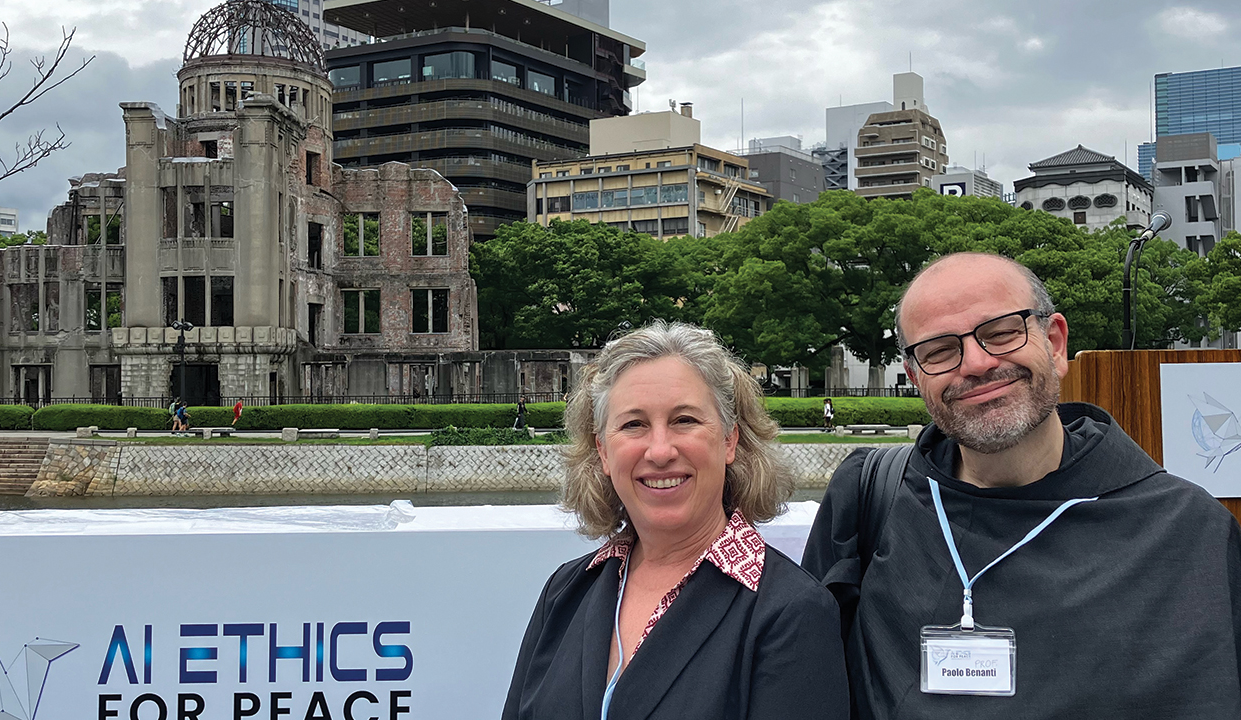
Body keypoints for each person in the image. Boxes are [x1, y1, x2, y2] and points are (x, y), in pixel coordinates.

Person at [802, 252, 1241, 719]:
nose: (974, 362)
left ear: (1054, 343)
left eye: (1001, 332)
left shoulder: (1187, 531)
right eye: (939, 350)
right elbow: (805, 679)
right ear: (915, 378)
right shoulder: (869, 496)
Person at [504, 320, 849, 720]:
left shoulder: (792, 611)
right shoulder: (566, 591)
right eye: (633, 424)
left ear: (729, 440)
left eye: (685, 420)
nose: (660, 450)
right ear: (602, 451)